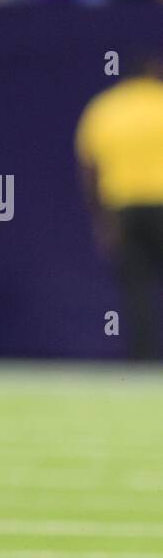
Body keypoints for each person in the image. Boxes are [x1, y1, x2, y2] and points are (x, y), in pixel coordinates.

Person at [76, 55, 163, 359]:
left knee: (137, 289)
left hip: (124, 208)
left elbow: (90, 168)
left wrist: (101, 218)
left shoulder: (106, 108)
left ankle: (144, 359)